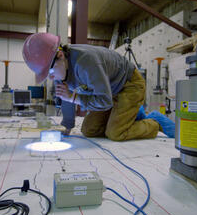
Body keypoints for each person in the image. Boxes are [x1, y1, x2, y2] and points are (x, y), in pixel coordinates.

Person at [22, 32, 175, 141]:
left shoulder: (86, 63)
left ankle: (152, 122)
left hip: (129, 85)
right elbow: (66, 96)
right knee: (89, 130)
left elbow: (103, 101)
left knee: (115, 133)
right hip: (108, 91)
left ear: (60, 55)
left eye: (49, 70)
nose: (50, 77)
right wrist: (67, 127)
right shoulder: (59, 68)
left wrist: (74, 97)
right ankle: (126, 114)